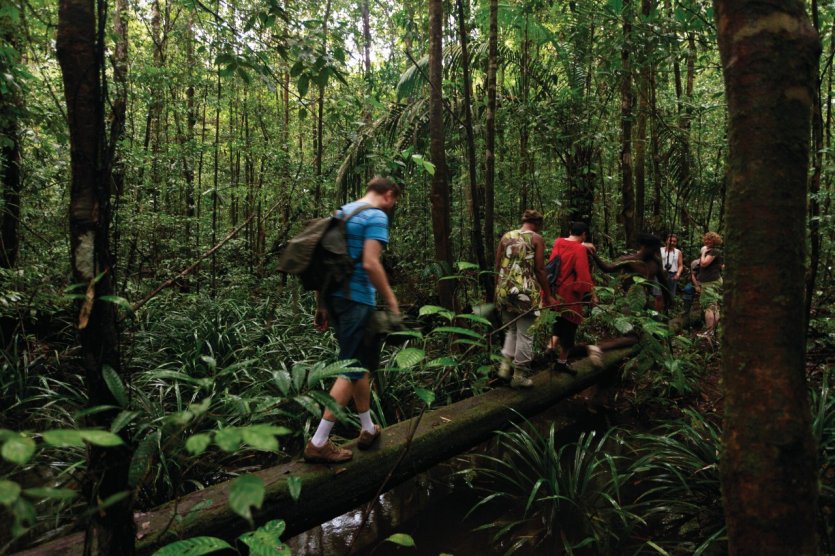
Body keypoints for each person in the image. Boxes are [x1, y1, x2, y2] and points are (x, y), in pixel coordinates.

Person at [304, 176, 401, 464]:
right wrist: (391, 299)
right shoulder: (375, 216)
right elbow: (371, 263)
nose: (392, 205)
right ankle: (319, 441)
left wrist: (322, 304)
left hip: (336, 299)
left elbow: (325, 262)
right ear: (387, 194)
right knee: (352, 366)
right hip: (358, 300)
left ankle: (368, 428)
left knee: (360, 365)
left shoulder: (342, 213)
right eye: (393, 199)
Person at [494, 210, 557, 388]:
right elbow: (540, 269)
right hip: (525, 292)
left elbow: (498, 265)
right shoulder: (536, 239)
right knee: (526, 334)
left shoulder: (507, 236)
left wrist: (496, 290)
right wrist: (548, 294)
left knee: (511, 331)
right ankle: (519, 375)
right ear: (537, 223)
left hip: (505, 289)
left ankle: (505, 369)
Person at [546, 222, 602, 372]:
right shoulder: (579, 249)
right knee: (571, 324)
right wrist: (591, 295)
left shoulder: (558, 242)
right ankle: (562, 361)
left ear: (570, 231)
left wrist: (583, 245)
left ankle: (550, 346)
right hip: (570, 294)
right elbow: (583, 275)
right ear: (584, 234)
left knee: (559, 319)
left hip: (554, 291)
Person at [592, 232, 672, 312]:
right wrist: (594, 255)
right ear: (644, 247)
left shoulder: (655, 262)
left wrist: (668, 300)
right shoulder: (628, 260)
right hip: (627, 300)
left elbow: (663, 283)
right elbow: (607, 268)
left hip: (645, 300)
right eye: (653, 249)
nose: (655, 252)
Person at [696, 231, 723, 338]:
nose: (707, 241)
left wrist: (703, 252)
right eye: (706, 239)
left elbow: (704, 263)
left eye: (710, 240)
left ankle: (709, 332)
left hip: (711, 282)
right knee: (714, 306)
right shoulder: (712, 251)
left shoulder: (714, 251)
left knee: (709, 307)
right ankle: (713, 331)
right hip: (710, 281)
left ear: (715, 241)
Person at [660, 233, 684, 298]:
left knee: (670, 295)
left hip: (672, 275)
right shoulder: (660, 250)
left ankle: (667, 308)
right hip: (661, 274)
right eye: (670, 241)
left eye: (674, 241)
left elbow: (680, 265)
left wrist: (678, 274)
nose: (672, 242)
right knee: (658, 295)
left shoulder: (678, 252)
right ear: (666, 241)